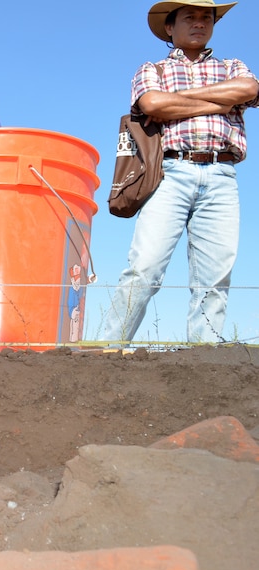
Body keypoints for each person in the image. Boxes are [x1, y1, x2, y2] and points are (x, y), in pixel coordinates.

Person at [104, 0, 258, 344]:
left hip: (223, 174)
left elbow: (249, 90)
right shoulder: (152, 69)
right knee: (145, 268)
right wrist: (222, 102)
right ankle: (108, 349)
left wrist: (178, 101)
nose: (200, 22)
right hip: (170, 173)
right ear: (170, 28)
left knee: (215, 278)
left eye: (207, 17)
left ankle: (203, 357)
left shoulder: (234, 66)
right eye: (190, 16)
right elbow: (153, 104)